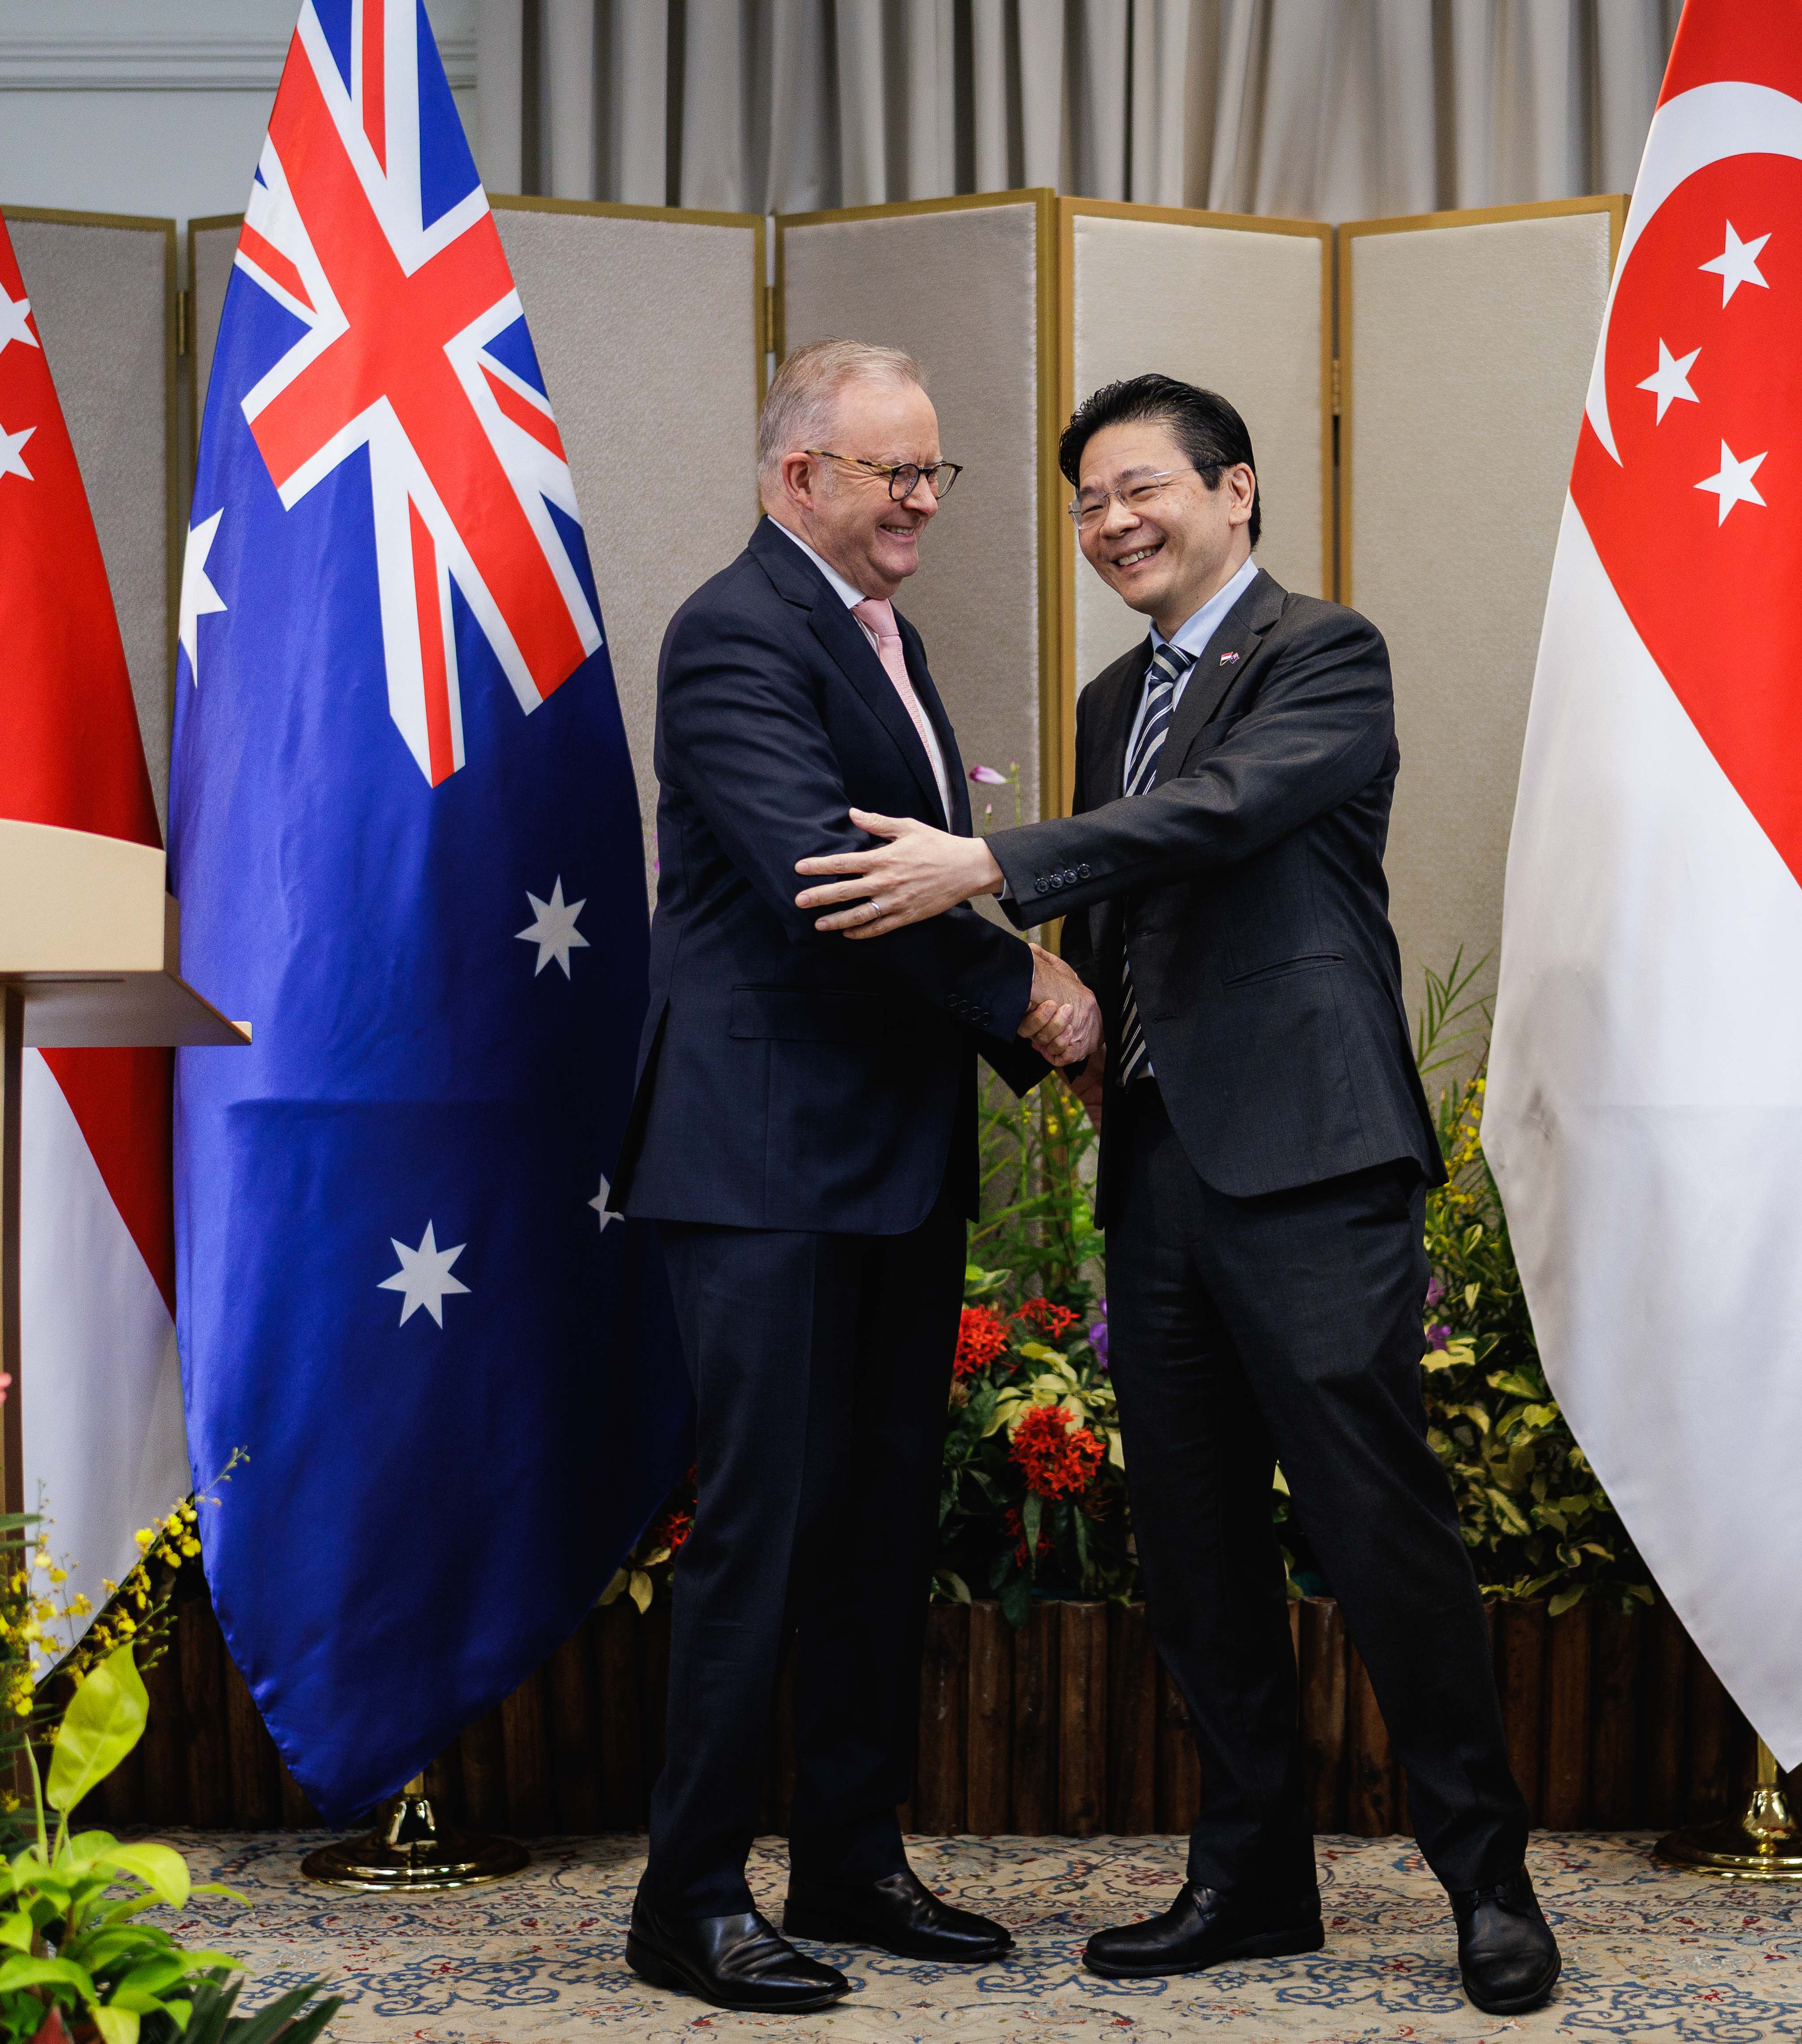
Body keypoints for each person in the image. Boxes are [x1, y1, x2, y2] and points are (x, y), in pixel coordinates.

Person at [790, 373, 1560, 2015]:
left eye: (1144, 488)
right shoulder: (1099, 700)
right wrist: (1069, 1027)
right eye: (1087, 502)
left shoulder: (1323, 655)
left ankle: (1487, 1879)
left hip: (1310, 1151)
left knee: (1377, 1524)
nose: (1115, 523)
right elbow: (1124, 914)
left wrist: (982, 865)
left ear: (1239, 492)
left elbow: (1218, 816)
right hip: (1157, 1159)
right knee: (1194, 1538)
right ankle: (1253, 1874)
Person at [614, 338, 1102, 2014]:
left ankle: (848, 1854)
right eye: (890, 472)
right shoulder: (734, 630)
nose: (919, 502)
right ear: (792, 477)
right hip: (761, 1164)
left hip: (888, 1162)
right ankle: (688, 1896)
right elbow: (830, 872)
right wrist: (1031, 994)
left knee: (875, 1524)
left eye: (933, 473)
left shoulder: (884, 634)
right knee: (758, 1531)